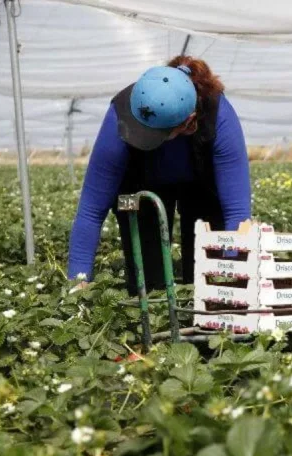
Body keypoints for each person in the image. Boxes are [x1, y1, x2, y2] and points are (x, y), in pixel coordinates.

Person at [67, 56, 251, 294]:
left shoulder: (219, 117)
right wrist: (77, 287)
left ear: (189, 122)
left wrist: (231, 281)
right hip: (141, 187)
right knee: (147, 282)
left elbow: (237, 212)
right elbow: (91, 210)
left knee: (208, 275)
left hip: (201, 188)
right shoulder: (121, 114)